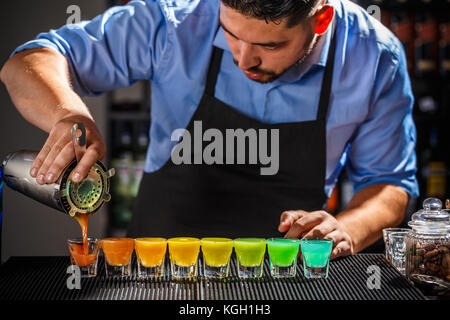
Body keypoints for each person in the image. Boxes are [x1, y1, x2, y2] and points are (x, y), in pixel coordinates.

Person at [0, 0, 418, 259]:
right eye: (231, 34)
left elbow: (390, 183)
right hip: (156, 269)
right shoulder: (175, 20)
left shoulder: (373, 56)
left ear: (321, 18)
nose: (244, 60)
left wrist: (349, 228)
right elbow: (28, 61)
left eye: (270, 46)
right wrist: (68, 113)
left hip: (288, 278)